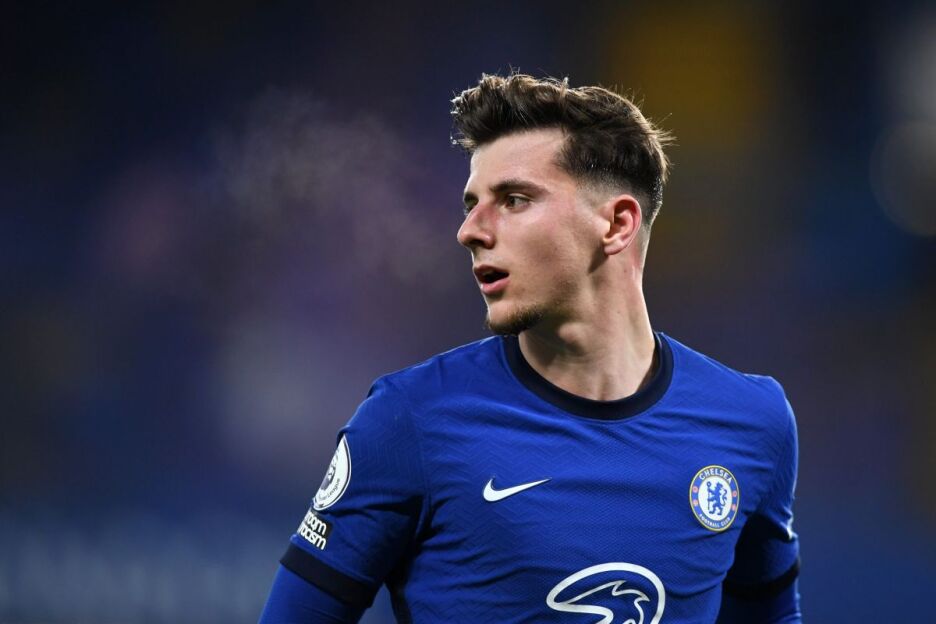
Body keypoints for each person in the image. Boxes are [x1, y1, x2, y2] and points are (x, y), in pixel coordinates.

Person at [258, 73, 801, 623]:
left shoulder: (753, 422)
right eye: (471, 204)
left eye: (513, 200)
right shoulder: (409, 420)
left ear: (617, 224)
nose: (470, 231)